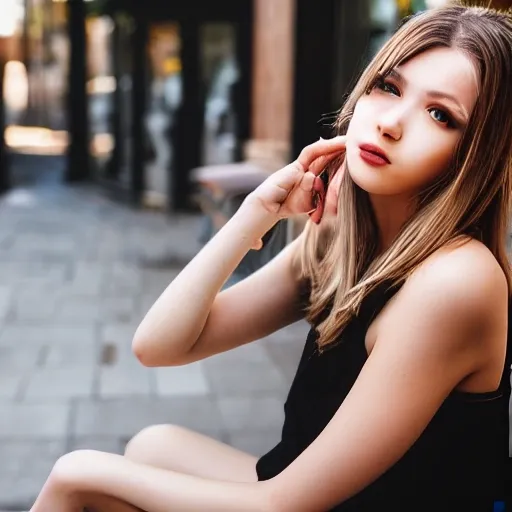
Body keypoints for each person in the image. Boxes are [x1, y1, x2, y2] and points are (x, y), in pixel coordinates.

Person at [30, 4, 511, 511]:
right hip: (311, 492)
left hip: (305, 501)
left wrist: (82, 476)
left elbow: (285, 503)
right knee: (153, 446)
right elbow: (159, 345)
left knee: (78, 478)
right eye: (388, 87)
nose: (390, 123)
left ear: (474, 156)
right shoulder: (343, 238)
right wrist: (255, 214)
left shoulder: (457, 282)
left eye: (440, 115)